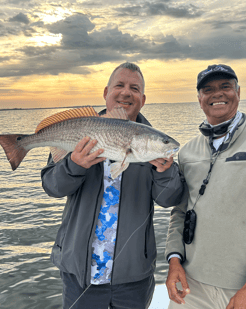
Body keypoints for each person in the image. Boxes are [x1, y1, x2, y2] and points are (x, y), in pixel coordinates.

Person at [41, 62, 183, 309]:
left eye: (134, 88)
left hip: (133, 277)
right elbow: (53, 187)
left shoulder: (152, 143)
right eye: (120, 85)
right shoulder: (79, 130)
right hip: (79, 273)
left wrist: (165, 171)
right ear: (106, 92)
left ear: (143, 98)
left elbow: (169, 199)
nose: (126, 92)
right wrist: (74, 165)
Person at [165, 64, 246, 309]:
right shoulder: (187, 151)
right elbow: (180, 211)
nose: (217, 94)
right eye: (208, 89)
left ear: (238, 92)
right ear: (199, 100)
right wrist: (174, 260)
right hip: (192, 287)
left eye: (225, 87)